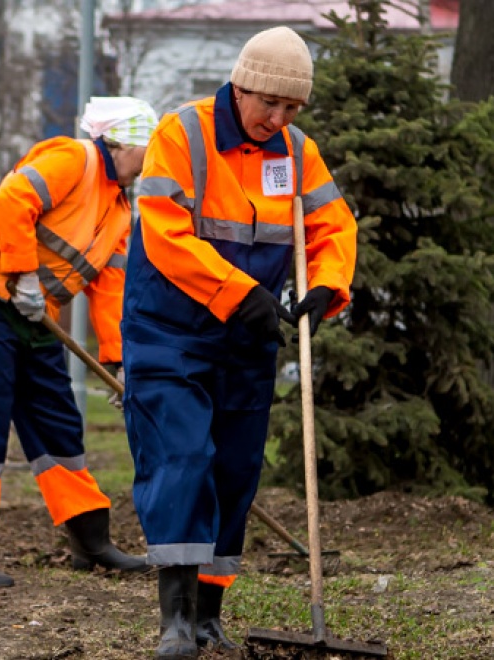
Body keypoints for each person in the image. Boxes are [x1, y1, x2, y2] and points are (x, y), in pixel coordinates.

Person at [122, 26, 358, 658]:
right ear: (240, 85)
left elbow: (332, 226)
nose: (276, 119)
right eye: (268, 104)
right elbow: (165, 235)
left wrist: (328, 285)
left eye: (291, 109)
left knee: (233, 472)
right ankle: (174, 618)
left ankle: (208, 616)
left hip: (248, 342)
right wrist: (238, 292)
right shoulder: (184, 134)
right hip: (170, 333)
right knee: (182, 458)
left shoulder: (296, 152)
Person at [0, 96, 159, 587]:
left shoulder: (122, 208)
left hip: (38, 316)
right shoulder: (71, 159)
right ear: (118, 143)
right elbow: (15, 202)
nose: (145, 170)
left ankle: (90, 540)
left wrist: (118, 361)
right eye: (144, 157)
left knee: (57, 419)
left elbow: (110, 290)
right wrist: (23, 276)